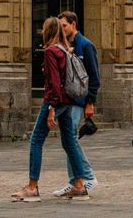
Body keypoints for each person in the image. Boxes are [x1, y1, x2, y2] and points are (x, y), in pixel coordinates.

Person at [13, 17, 91, 203]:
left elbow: (54, 83)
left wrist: (51, 108)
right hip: (69, 100)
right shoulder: (65, 50)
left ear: (47, 31)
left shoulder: (50, 51)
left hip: (56, 101)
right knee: (69, 142)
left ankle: (32, 187)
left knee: (36, 140)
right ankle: (79, 185)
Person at [57, 11, 99, 198]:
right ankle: (74, 180)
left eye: (64, 25)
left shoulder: (86, 45)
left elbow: (94, 77)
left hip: (78, 100)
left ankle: (86, 176)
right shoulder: (64, 45)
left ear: (73, 24)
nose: (61, 29)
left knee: (71, 140)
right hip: (66, 99)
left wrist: (90, 102)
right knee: (68, 140)